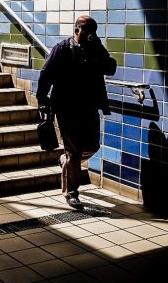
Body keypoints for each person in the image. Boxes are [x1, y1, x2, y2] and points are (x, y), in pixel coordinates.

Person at [36, 15, 117, 210]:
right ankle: (71, 193)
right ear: (78, 30)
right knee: (74, 151)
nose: (92, 35)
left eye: (94, 32)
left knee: (92, 147)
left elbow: (111, 68)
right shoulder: (62, 49)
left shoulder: (95, 50)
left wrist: (98, 47)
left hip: (89, 107)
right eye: (89, 31)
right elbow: (45, 75)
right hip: (66, 108)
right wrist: (42, 99)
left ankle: (66, 161)